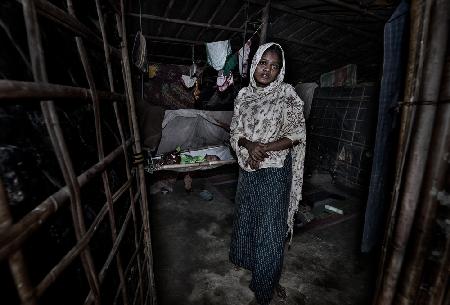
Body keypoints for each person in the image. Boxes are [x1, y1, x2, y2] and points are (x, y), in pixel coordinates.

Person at [229, 42, 306, 305]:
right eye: (264, 63)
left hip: (274, 170)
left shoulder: (287, 94)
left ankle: (266, 284)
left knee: (271, 231)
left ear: (280, 71)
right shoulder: (242, 96)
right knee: (246, 217)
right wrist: (250, 146)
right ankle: (246, 260)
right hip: (248, 166)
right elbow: (235, 131)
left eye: (275, 66)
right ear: (255, 64)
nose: (267, 70)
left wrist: (265, 148)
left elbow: (296, 133)